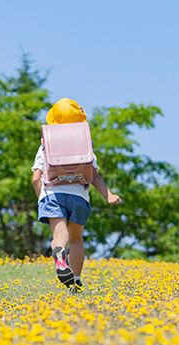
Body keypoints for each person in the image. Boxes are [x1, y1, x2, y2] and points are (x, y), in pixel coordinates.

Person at [32, 98, 121, 292]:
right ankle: (76, 281)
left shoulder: (46, 145)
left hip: (53, 193)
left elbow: (35, 178)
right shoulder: (84, 146)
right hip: (79, 196)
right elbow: (94, 175)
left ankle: (59, 252)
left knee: (59, 234)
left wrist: (42, 198)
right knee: (76, 239)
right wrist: (109, 194)